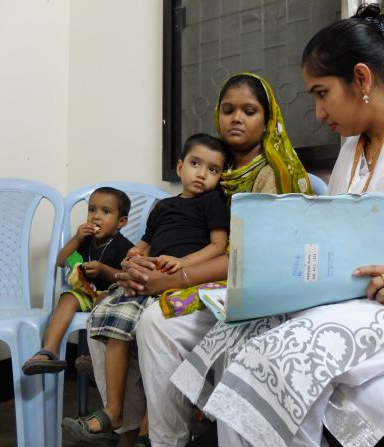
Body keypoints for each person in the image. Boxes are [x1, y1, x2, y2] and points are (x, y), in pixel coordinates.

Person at [166, 4, 384, 446]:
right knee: (238, 339)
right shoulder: (353, 150)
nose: (317, 111)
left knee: (278, 359)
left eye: (321, 92)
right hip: (368, 304)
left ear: (361, 80)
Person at [115, 72, 313, 446]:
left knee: (162, 317)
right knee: (153, 322)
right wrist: (144, 263)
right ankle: (166, 439)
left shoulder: (276, 173)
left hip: (260, 296)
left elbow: (254, 258)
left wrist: (173, 279)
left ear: (268, 120)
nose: (236, 118)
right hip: (212, 288)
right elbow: (182, 235)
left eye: (249, 111)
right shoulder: (213, 172)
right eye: (228, 110)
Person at [61, 133, 231, 446]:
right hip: (151, 270)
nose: (202, 174)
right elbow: (147, 242)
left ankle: (140, 426)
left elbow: (219, 246)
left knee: (139, 322)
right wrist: (134, 254)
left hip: (179, 277)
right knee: (105, 311)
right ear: (180, 167)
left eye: (213, 170)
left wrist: (181, 264)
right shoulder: (163, 206)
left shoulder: (213, 202)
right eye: (195, 164)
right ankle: (117, 414)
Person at [21, 187, 133, 375]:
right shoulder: (85, 240)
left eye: (105, 212)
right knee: (67, 298)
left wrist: (104, 271)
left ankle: (96, 357)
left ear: (121, 222)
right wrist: (76, 238)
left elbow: (127, 277)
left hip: (109, 295)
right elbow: (60, 261)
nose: (96, 217)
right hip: (85, 291)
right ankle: (49, 351)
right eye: (92, 210)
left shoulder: (124, 247)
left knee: (103, 300)